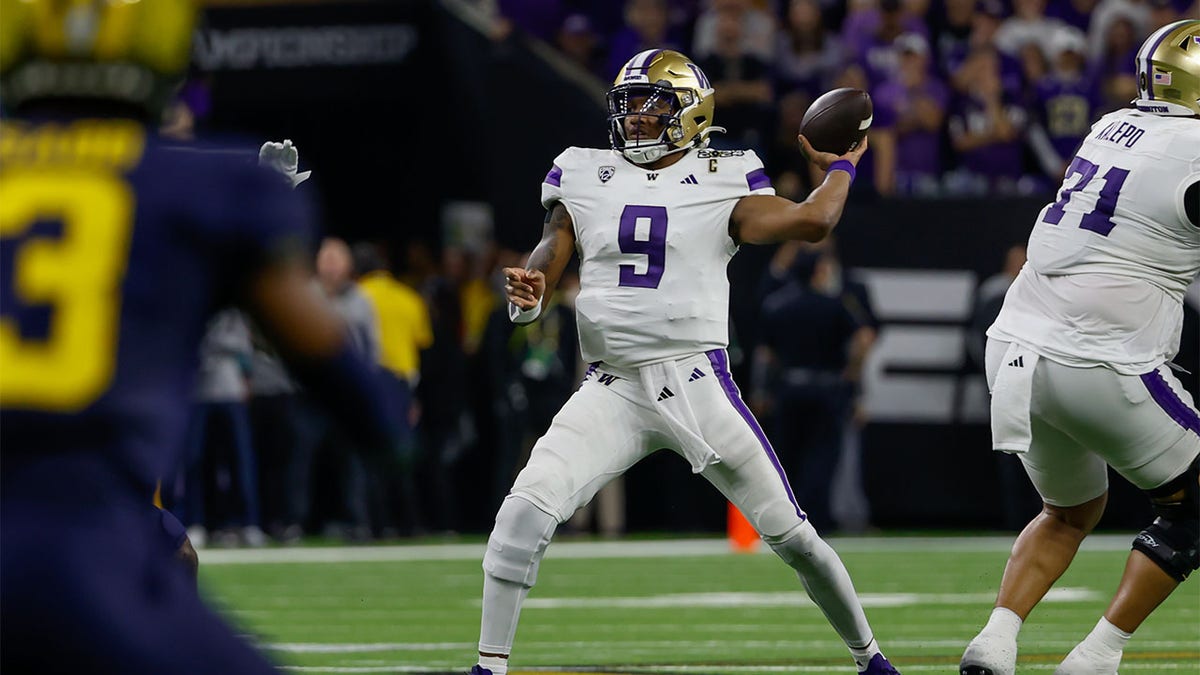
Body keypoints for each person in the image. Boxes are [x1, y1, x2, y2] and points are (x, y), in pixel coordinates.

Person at [470, 49, 898, 675]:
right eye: (629, 103)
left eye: (653, 103)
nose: (637, 117)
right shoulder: (583, 171)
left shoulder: (727, 174)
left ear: (692, 112)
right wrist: (529, 298)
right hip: (610, 386)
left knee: (795, 538)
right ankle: (488, 667)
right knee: (521, 513)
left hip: (698, 382)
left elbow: (812, 222)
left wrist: (841, 168)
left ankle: (873, 661)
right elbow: (549, 251)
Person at [0, 1, 396, 673]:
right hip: (77, 539)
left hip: (89, 524)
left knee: (174, 547)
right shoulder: (210, 186)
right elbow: (364, 405)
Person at [959, 19, 1200, 675]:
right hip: (1098, 354)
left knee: (1070, 510)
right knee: (1191, 505)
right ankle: (1097, 656)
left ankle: (996, 640)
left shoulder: (1112, 124)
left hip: (1013, 343)